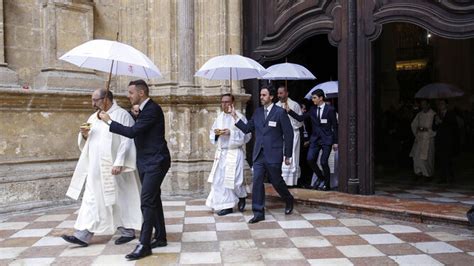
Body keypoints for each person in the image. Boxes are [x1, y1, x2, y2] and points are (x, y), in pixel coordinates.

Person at [99, 80, 171, 260]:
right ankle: (160, 237)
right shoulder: (145, 110)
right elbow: (144, 129)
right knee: (154, 199)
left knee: (146, 200)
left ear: (141, 93)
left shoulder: (152, 109)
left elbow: (132, 133)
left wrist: (110, 121)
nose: (128, 96)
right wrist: (137, 115)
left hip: (155, 161)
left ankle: (144, 245)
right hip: (146, 160)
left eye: (131, 93)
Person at [62, 89, 142, 247]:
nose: (92, 104)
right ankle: (82, 235)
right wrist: (84, 135)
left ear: (106, 99)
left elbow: (127, 140)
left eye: (95, 100)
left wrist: (119, 162)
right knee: (92, 199)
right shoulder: (94, 116)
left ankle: (127, 230)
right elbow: (91, 140)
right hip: (95, 168)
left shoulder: (122, 115)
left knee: (121, 198)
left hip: (115, 168)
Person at [231, 85, 295, 224]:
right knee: (258, 182)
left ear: (271, 97)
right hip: (259, 154)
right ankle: (258, 212)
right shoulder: (258, 112)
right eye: (260, 95)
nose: (261, 97)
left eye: (264, 95)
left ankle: (288, 199)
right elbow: (248, 129)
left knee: (276, 181)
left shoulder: (280, 112)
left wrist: (288, 155)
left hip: (274, 153)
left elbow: (288, 135)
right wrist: (235, 117)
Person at [206, 94, 251, 216]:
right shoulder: (219, 117)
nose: (224, 104)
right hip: (221, 153)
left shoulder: (239, 117)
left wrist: (231, 133)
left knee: (234, 180)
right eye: (222, 102)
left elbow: (247, 135)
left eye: (227, 102)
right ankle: (227, 206)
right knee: (220, 180)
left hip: (234, 152)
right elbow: (212, 133)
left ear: (233, 103)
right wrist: (217, 133)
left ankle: (241, 196)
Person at [286, 89, 338, 191]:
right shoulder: (312, 110)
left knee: (323, 162)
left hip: (327, 139)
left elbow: (335, 126)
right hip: (315, 140)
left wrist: (335, 141)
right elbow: (300, 118)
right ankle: (321, 178)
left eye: (314, 97)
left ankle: (326, 184)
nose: (313, 100)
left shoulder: (330, 109)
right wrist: (289, 111)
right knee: (310, 159)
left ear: (321, 98)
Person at [276, 85, 303, 186]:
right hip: (280, 136)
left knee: (291, 158)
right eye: (278, 93)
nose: (279, 95)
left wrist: (289, 113)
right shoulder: (276, 105)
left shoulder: (294, 105)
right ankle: (281, 180)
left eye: (281, 93)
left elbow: (300, 122)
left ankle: (291, 182)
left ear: (287, 93)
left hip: (293, 134)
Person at [433, 99, 459, 184]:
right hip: (440, 140)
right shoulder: (437, 114)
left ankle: (451, 176)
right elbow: (434, 128)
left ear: (446, 105)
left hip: (448, 140)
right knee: (441, 159)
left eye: (442, 103)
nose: (440, 105)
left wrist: (442, 122)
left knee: (448, 159)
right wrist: (436, 123)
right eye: (439, 103)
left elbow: (453, 126)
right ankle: (442, 178)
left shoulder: (451, 114)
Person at [409, 99, 436, 181]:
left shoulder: (433, 114)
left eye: (424, 104)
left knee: (426, 158)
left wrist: (428, 131)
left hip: (428, 139)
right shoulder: (419, 114)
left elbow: (436, 128)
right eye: (422, 104)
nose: (423, 106)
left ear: (428, 105)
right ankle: (418, 172)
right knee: (416, 157)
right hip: (420, 138)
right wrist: (417, 131)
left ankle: (428, 174)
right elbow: (413, 124)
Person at [297, 101, 313, 188]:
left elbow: (311, 131)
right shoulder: (296, 120)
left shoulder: (307, 120)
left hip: (308, 145)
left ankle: (307, 182)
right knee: (300, 164)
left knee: (308, 163)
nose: (305, 110)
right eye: (303, 109)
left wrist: (309, 141)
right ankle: (300, 182)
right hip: (300, 146)